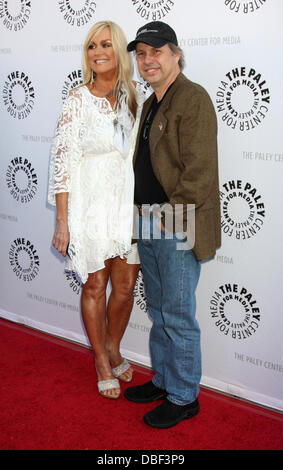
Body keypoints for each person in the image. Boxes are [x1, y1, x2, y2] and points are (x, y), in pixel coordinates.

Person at [124, 21, 221, 427]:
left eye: (156, 52)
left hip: (175, 222)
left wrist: (167, 219)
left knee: (178, 314)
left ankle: (184, 398)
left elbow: (199, 172)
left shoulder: (192, 98)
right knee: (162, 312)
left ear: (176, 53)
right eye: (142, 54)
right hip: (146, 220)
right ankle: (164, 380)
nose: (148, 60)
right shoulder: (151, 102)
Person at [48, 21, 145, 399]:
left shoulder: (135, 95)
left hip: (127, 203)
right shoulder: (77, 98)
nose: (98, 51)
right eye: (91, 46)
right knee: (95, 284)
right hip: (89, 205)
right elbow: (61, 161)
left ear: (118, 49)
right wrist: (62, 221)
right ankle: (102, 362)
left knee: (124, 286)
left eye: (106, 44)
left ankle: (113, 346)